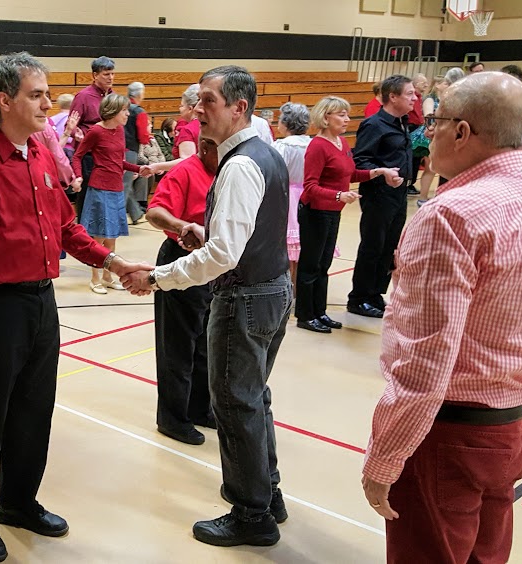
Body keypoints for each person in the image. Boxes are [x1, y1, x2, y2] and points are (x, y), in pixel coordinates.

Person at [0, 51, 152, 564]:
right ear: (5, 101)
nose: (48, 102)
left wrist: (114, 263)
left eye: (47, 93)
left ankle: (17, 502)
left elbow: (67, 229)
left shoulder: (43, 155)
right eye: (37, 94)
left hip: (41, 305)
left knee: (33, 409)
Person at [361, 71, 522, 564]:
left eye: (433, 120)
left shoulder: (451, 215)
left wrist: (386, 455)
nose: (426, 132)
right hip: (512, 426)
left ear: (461, 131)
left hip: (447, 435)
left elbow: (425, 360)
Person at [123, 65, 292, 549]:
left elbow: (223, 257)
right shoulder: (266, 153)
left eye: (209, 101)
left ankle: (250, 513)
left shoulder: (239, 165)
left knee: (235, 404)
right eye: (198, 100)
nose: (198, 109)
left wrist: (158, 277)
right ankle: (268, 493)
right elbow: (239, 236)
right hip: (273, 288)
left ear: (239, 107)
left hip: (245, 297)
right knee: (254, 396)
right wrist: (207, 233)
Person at [296, 97, 400, 334]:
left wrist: (379, 172)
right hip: (316, 212)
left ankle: (319, 312)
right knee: (311, 266)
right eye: (340, 115)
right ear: (326, 117)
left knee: (324, 265)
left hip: (332, 212)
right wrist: (338, 196)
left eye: (346, 114)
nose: (346, 119)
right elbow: (310, 186)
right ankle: (305, 315)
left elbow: (350, 174)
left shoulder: (342, 142)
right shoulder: (318, 146)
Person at [145, 138, 219, 446]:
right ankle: (172, 418)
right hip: (182, 259)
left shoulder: (228, 170)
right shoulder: (186, 171)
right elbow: (155, 211)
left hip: (213, 264)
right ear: (205, 148)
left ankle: (199, 408)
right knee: (178, 345)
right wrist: (183, 226)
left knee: (205, 342)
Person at [347, 74, 415, 319]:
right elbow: (361, 160)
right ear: (393, 96)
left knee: (390, 246)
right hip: (379, 194)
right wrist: (382, 173)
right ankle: (359, 297)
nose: (414, 98)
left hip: (399, 193)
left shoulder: (402, 122)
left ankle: (375, 293)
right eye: (409, 93)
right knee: (373, 245)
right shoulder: (374, 124)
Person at [72, 93, 146, 293]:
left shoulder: (120, 131)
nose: (128, 114)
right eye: (124, 110)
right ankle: (94, 278)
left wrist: (139, 169)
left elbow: (118, 162)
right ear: (113, 111)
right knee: (98, 237)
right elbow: (78, 156)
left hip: (116, 189)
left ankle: (107, 275)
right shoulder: (96, 131)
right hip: (99, 188)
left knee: (112, 237)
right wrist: (78, 176)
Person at [271, 102, 311, 284]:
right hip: (307, 193)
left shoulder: (283, 146)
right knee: (302, 244)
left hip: (287, 196)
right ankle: (297, 287)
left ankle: (286, 285)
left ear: (286, 123)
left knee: (286, 245)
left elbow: (274, 172)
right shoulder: (312, 143)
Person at [70, 56, 115, 217]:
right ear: (95, 75)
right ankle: (83, 229)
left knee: (105, 194)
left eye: (112, 74)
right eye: (106, 74)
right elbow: (71, 123)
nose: (110, 77)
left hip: (107, 154)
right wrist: (77, 133)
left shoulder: (112, 97)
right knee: (87, 193)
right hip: (89, 155)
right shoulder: (83, 96)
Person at [416, 74, 452, 206]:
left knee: (441, 168)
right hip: (430, 136)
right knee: (430, 168)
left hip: (442, 135)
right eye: (445, 83)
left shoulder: (448, 100)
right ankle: (423, 197)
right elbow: (428, 118)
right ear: (437, 85)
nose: (448, 86)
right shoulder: (430, 99)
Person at [123, 81, 151, 224]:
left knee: (125, 183)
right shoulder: (139, 112)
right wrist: (148, 137)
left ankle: (135, 213)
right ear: (139, 94)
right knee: (124, 185)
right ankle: (119, 218)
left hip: (117, 148)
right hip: (130, 151)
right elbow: (142, 136)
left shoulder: (121, 106)